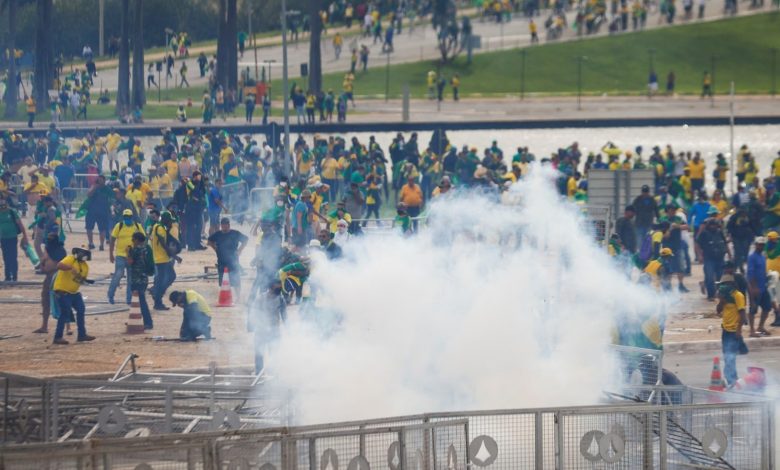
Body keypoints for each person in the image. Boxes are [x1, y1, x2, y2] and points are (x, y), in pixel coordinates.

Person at [52, 248, 95, 345]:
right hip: (62, 291)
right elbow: (59, 265)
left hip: (73, 292)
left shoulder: (85, 266)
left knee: (81, 310)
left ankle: (82, 335)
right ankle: (57, 337)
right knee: (64, 313)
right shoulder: (70, 259)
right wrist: (70, 268)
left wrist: (86, 280)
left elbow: (79, 280)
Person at [108, 209, 144, 305]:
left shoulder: (137, 226)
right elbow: (112, 239)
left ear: (132, 217)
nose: (127, 219)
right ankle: (110, 295)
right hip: (121, 255)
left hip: (133, 256)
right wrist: (111, 253)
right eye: (125, 217)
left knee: (131, 279)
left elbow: (143, 239)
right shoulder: (119, 226)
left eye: (129, 217)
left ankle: (129, 299)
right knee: (118, 275)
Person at [207, 218, 248, 299]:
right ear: (221, 226)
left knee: (236, 280)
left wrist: (240, 250)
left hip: (233, 261)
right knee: (223, 280)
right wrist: (215, 249)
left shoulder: (235, 233)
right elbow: (209, 241)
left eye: (226, 225)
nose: (224, 227)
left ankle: (238, 297)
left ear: (229, 225)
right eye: (222, 225)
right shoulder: (218, 234)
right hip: (221, 261)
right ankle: (225, 296)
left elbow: (245, 239)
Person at [717, 279, 746, 386]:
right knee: (727, 356)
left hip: (734, 331)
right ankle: (731, 379)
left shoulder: (738, 296)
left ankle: (732, 380)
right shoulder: (725, 296)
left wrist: (739, 330)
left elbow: (742, 314)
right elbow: (718, 310)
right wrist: (721, 301)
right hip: (725, 330)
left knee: (730, 356)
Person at [126, 232, 155, 330]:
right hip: (144, 278)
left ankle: (148, 322)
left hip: (137, 279)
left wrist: (128, 253)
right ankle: (140, 321)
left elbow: (130, 262)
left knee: (141, 302)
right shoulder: (147, 248)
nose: (133, 242)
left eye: (133, 240)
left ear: (137, 240)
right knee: (140, 301)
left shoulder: (136, 250)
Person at [151, 211, 180, 310]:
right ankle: (157, 300)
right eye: (169, 221)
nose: (170, 224)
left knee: (169, 277)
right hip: (161, 259)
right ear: (166, 220)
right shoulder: (160, 228)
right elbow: (164, 245)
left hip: (163, 258)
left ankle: (158, 295)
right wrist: (175, 256)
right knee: (163, 280)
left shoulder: (159, 227)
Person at [697, 217, 730, 300]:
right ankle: (711, 295)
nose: (713, 227)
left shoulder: (720, 232)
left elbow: (725, 243)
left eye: (715, 225)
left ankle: (718, 293)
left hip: (720, 258)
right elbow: (697, 244)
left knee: (720, 277)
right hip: (709, 259)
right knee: (710, 277)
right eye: (712, 225)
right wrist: (700, 255)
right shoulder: (704, 234)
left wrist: (729, 254)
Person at [747, 237, 772, 337]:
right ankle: (752, 330)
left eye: (762, 245)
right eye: (759, 244)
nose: (761, 246)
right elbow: (751, 273)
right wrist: (754, 288)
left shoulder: (762, 257)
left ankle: (760, 326)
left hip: (763, 286)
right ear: (756, 245)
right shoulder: (752, 257)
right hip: (755, 287)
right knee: (753, 308)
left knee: (767, 307)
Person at [0, 198, 29, 281]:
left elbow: (20, 224)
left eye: (2, 200)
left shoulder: (12, 212)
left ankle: (15, 276)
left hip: (12, 237)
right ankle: (8, 276)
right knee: (6, 257)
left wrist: (25, 236)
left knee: (13, 257)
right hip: (3, 238)